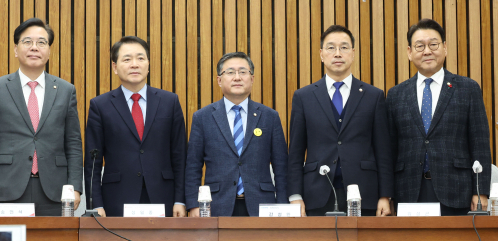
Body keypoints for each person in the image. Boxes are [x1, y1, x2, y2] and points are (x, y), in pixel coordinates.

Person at [0, 18, 83, 216]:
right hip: (8, 187)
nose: (34, 47)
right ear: (16, 50)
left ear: (49, 51)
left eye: (41, 42)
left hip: (54, 189)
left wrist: (75, 186)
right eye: (27, 42)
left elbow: (73, 143)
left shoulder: (66, 90)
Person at [387, 18, 492, 215]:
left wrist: (481, 191)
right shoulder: (396, 94)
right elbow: (389, 150)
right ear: (409, 52)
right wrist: (388, 195)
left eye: (433, 44)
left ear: (444, 47)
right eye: (420, 46)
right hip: (408, 191)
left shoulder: (467, 89)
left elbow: (480, 143)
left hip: (457, 190)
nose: (427, 51)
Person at [287, 25, 393, 216]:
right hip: (316, 194)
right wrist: (295, 196)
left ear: (353, 53)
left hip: (364, 193)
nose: (337, 54)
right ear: (321, 54)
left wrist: (385, 196)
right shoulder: (304, 97)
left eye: (344, 47)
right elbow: (295, 154)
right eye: (331, 48)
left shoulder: (373, 96)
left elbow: (383, 151)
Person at [84, 36, 187, 217]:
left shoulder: (169, 102)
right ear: (115, 67)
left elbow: (180, 156)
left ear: (148, 64)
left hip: (164, 196)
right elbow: (93, 162)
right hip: (116, 198)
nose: (134, 64)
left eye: (140, 58)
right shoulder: (100, 106)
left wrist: (180, 199)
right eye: (127, 59)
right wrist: (95, 204)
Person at [185, 52, 288, 217]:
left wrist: (283, 205)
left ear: (252, 79)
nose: (237, 77)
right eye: (230, 72)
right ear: (219, 80)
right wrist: (193, 205)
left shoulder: (269, 116)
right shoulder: (203, 117)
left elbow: (281, 167)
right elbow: (193, 167)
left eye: (243, 72)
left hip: (262, 205)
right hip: (216, 205)